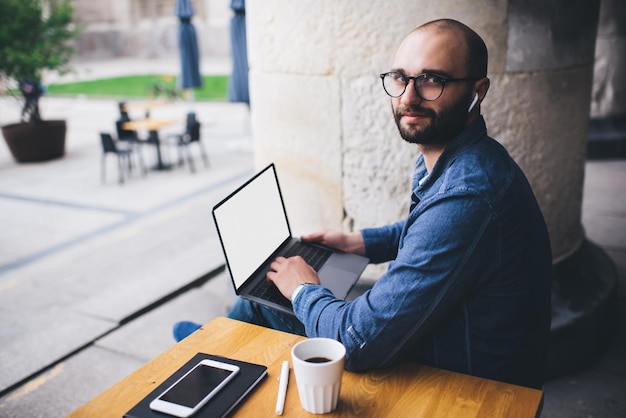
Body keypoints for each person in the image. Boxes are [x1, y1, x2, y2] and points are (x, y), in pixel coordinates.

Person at [174, 18, 552, 389]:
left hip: (458, 381)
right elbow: (432, 232)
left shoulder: (469, 193)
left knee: (268, 301)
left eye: (433, 80)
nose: (408, 97)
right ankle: (218, 348)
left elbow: (358, 341)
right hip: (451, 345)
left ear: (478, 90)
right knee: (266, 299)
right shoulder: (459, 158)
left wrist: (303, 289)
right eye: (401, 78)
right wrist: (360, 243)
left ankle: (212, 353)